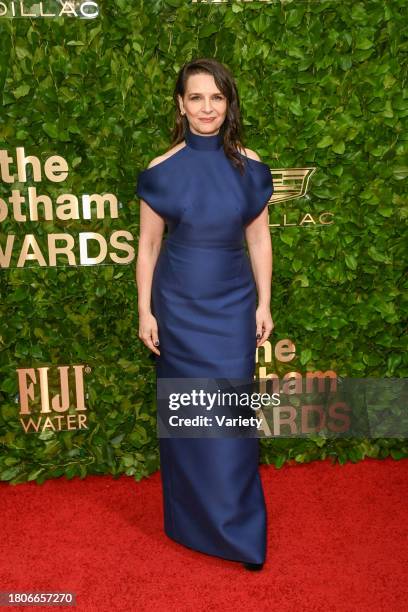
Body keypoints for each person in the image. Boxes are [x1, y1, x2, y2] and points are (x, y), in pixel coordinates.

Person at [135, 58, 274, 571]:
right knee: (189, 418)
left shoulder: (249, 165)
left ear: (227, 103)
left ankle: (239, 531)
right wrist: (145, 310)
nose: (206, 107)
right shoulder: (159, 170)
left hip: (233, 304)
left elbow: (259, 239)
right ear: (180, 104)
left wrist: (264, 302)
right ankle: (191, 523)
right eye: (196, 97)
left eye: (216, 97)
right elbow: (148, 249)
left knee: (232, 422)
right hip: (178, 306)